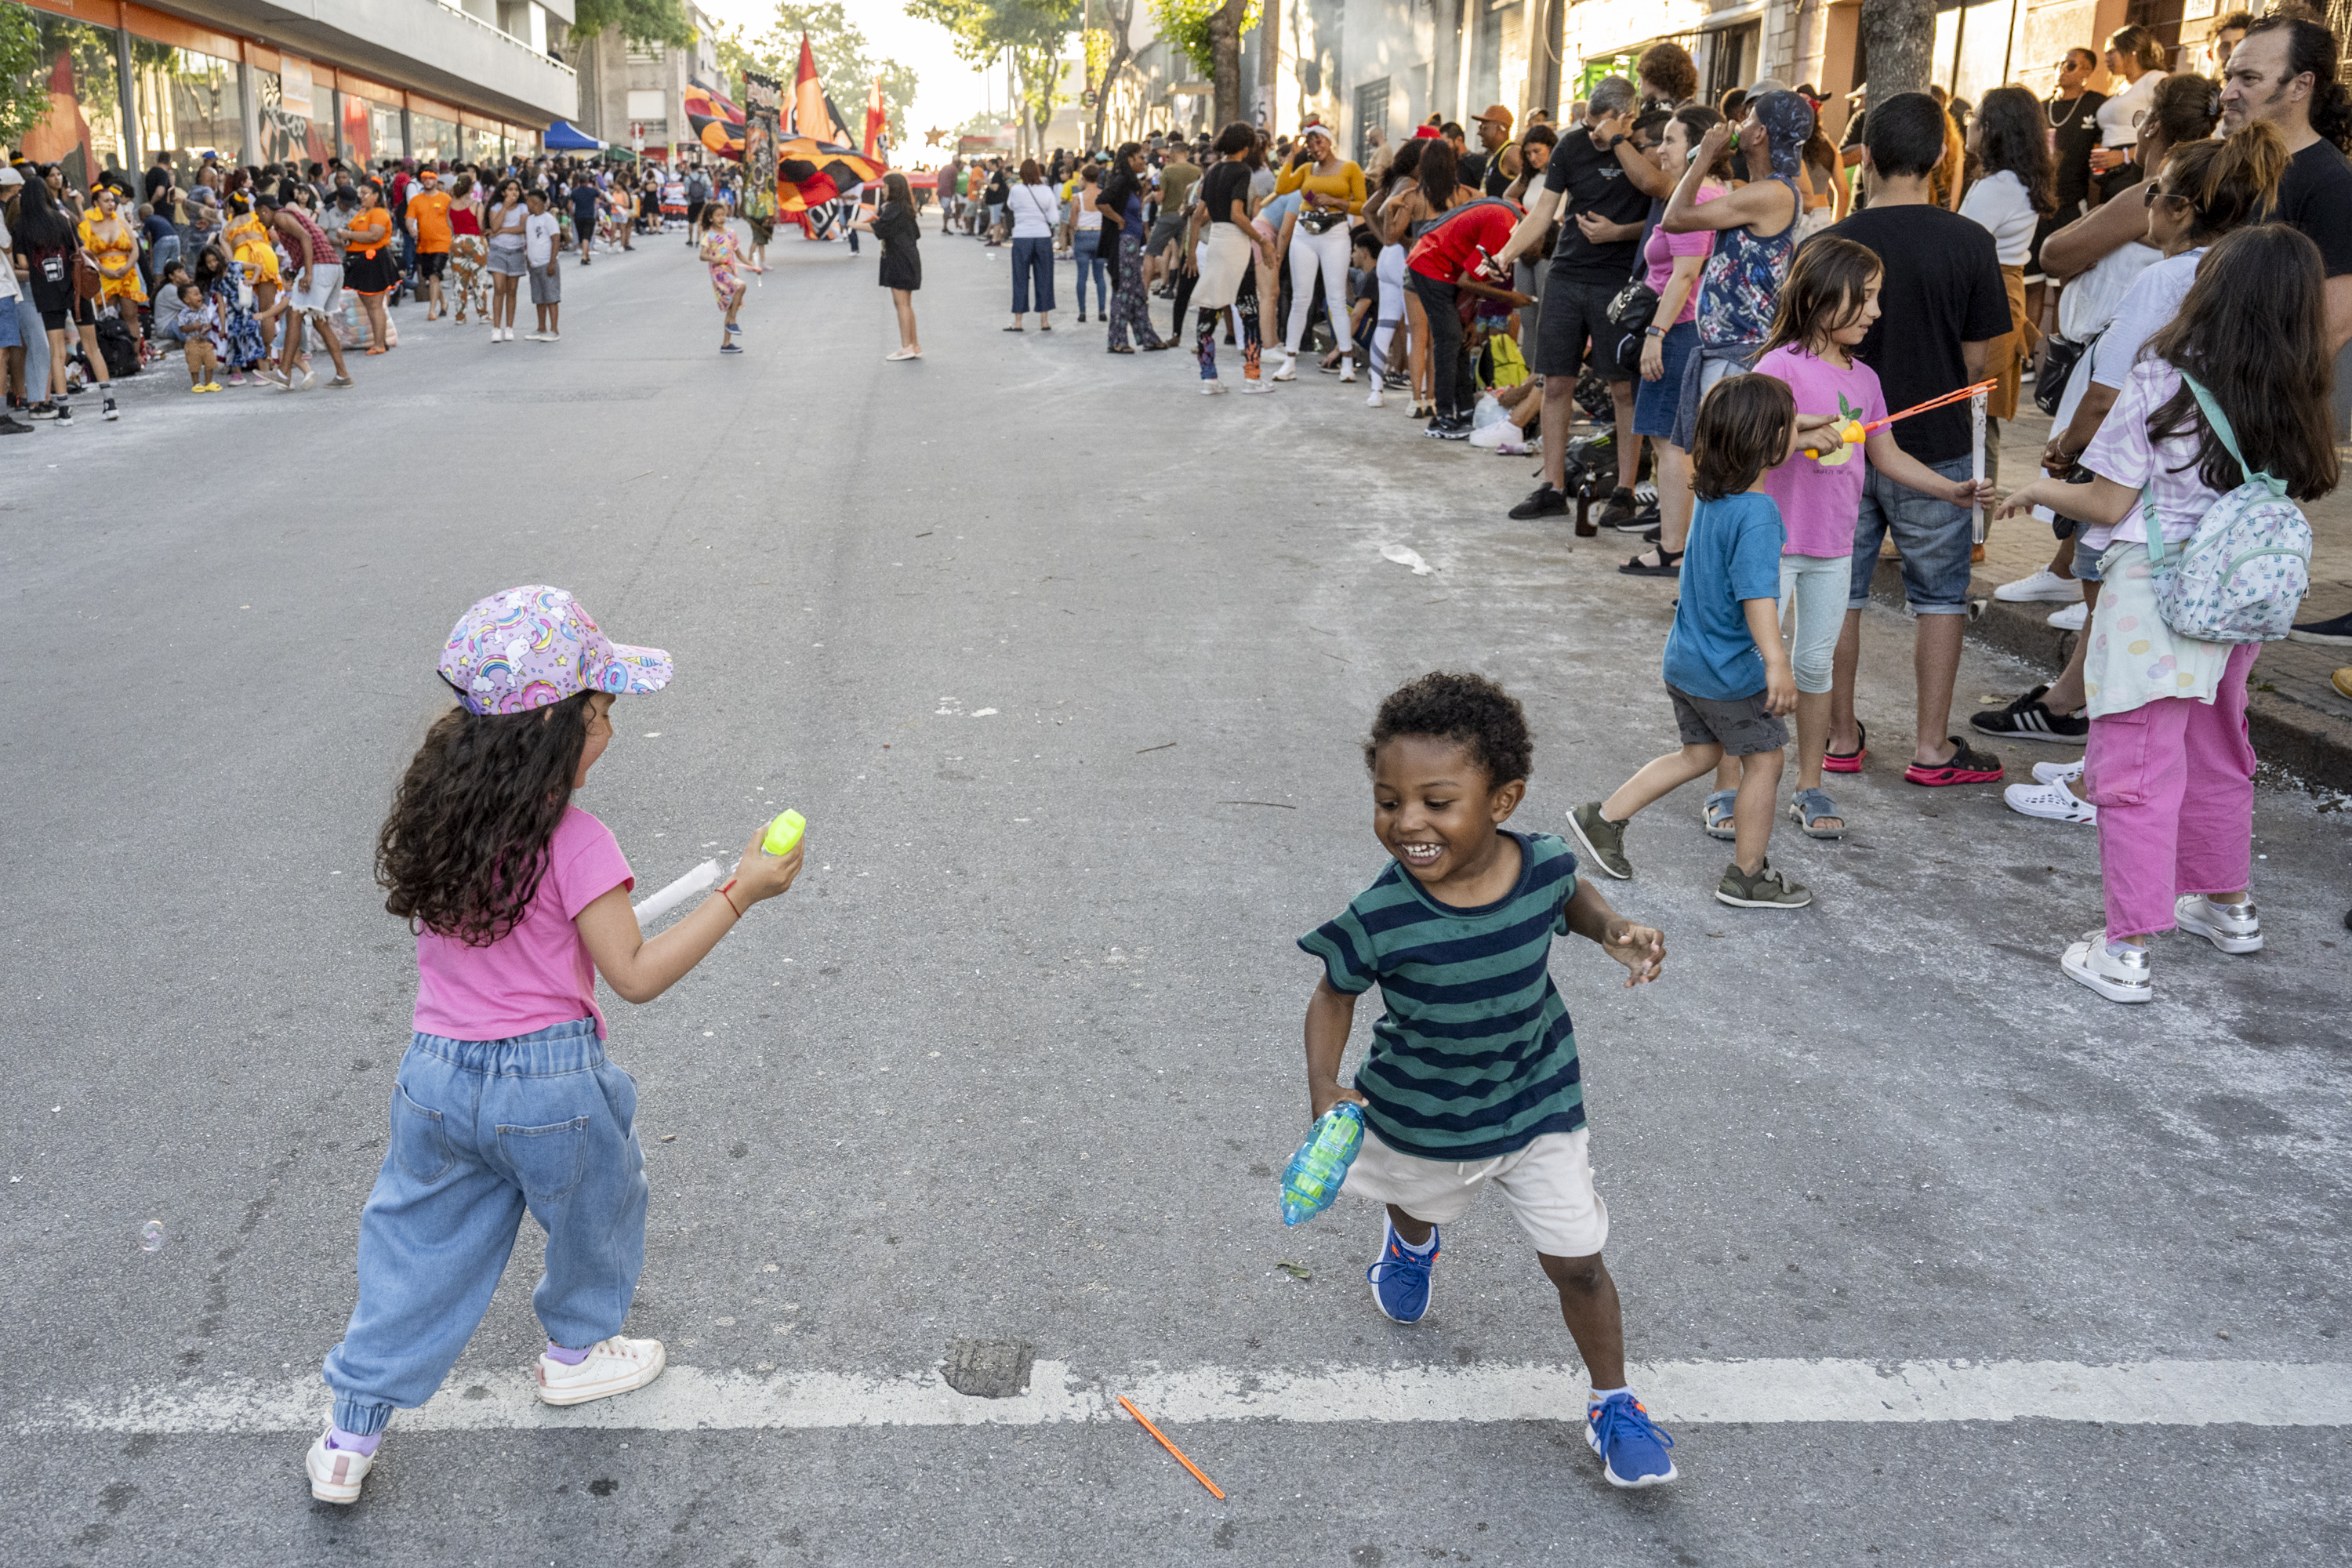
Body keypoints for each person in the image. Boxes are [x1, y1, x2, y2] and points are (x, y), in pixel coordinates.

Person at [305, 586, 806, 1506]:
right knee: (599, 1202)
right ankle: (577, 1347)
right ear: (553, 732)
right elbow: (637, 972)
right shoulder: (577, 840)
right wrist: (742, 892)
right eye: (602, 712)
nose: (611, 731)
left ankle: (349, 1430)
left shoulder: (437, 821)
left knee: (414, 1246)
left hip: (436, 1077)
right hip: (550, 1082)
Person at [1298, 670, 1677, 1490]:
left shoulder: (1539, 861)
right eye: (1388, 799)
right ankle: (1411, 1239)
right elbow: (1334, 992)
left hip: (1537, 1099)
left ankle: (1613, 1400)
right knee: (1416, 1191)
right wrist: (1324, 1082)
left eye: (1437, 800)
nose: (1408, 823)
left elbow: (1567, 892)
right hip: (1419, 1109)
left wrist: (1611, 925)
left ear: (1502, 800)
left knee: (1578, 1258)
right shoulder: (1382, 913)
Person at [1991, 226, 2335, 1003]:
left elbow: (2109, 500)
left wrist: (2038, 489)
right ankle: (2228, 904)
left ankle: (2127, 948)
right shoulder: (2297, 381)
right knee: (2220, 746)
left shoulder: (2165, 373)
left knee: (2136, 766)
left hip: (2157, 598)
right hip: (2238, 595)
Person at [1988, 119, 2285, 817]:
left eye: (2154, 193)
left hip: (2140, 485)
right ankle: (2102, 766)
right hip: (2215, 488)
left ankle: (2104, 781)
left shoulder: (2165, 277)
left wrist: (2065, 455)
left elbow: (2108, 386)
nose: (2145, 205)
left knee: (2121, 639)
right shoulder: (2254, 274)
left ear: (2179, 210)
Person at [1569, 374, 1836, 907]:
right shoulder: (1759, 513)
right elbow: (1758, 597)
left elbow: (1763, 438)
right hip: (1726, 671)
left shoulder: (1714, 497)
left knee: (1699, 753)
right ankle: (1748, 874)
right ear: (1766, 442)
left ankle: (1603, 818)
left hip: (1686, 662)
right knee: (1765, 760)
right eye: (1789, 424)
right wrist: (1777, 663)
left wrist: (1794, 432)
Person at [1817, 92, 2012, 788]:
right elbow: (1978, 361)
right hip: (1933, 446)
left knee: (1839, 589)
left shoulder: (1826, 245)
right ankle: (1932, 748)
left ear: (1865, 155)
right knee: (1940, 596)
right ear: (1939, 159)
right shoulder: (1970, 241)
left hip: (1836, 441)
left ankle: (1839, 737)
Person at [1491, 77, 1653, 525]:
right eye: (1587, 124)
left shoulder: (1642, 144)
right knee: (1555, 381)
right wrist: (1506, 253)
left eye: (1599, 126)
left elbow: (1663, 210)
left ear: (1624, 117)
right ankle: (1553, 486)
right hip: (1566, 274)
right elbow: (1543, 212)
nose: (1591, 133)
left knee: (1624, 387)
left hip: (1616, 282)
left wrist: (1619, 232)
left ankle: (1624, 488)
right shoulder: (1570, 147)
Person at [1621, 108, 1732, 578]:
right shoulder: (1706, 194)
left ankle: (1673, 549)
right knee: (1672, 441)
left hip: (1680, 329)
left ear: (1698, 146)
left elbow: (1686, 274)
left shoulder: (1702, 194)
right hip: (1683, 328)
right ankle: (1675, 542)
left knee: (1670, 443)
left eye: (1670, 139)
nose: (1659, 150)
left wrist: (1655, 334)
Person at [1960, 85, 2058, 433]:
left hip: (1989, 291)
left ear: (1993, 129)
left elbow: (1964, 246)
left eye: (1974, 118)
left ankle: (1979, 485)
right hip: (2000, 288)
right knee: (1981, 412)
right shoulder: (2008, 180)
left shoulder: (2000, 184)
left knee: (1976, 411)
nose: (1968, 125)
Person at [1404, 193, 1528, 435]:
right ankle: (1441, 418)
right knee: (1449, 338)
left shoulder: (1518, 216)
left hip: (1446, 264)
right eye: (1533, 252)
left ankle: (1464, 410)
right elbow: (1467, 280)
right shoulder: (1505, 227)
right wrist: (1510, 298)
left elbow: (1474, 277)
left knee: (1460, 338)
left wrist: (1470, 320)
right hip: (1431, 262)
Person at [1269, 124, 1367, 383]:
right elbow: (1281, 187)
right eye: (1310, 145)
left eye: (1319, 141)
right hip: (1304, 232)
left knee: (1336, 298)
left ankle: (1347, 361)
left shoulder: (1350, 168)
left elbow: (1362, 205)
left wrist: (1335, 201)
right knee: (1301, 298)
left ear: (1329, 140)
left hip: (1335, 233)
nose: (1316, 148)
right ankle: (1290, 361)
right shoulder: (1305, 169)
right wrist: (1292, 154)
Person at [1184, 121, 1269, 394]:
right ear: (1246, 147)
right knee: (1249, 310)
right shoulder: (1242, 170)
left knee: (1210, 306)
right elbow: (1237, 214)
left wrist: (1190, 254)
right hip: (1235, 244)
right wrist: (1263, 240)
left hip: (1216, 243)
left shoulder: (1212, 171)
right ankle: (1252, 378)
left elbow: (1198, 216)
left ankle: (1209, 378)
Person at [2031, 49, 2108, 333]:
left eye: (2072, 65)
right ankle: (2026, 358)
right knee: (2032, 285)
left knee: (2064, 285)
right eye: (2060, 63)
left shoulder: (2097, 105)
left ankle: (2055, 353)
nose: (2063, 68)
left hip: (2072, 205)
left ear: (2087, 71)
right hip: (2037, 205)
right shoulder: (2040, 108)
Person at [263, 194, 354, 390]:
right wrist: (297, 271)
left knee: (294, 314)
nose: (260, 220)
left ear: (265, 210)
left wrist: (309, 273)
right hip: (332, 266)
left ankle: (284, 373)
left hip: (319, 267)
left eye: (259, 215)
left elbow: (306, 237)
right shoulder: (287, 217)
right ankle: (342, 375)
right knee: (321, 324)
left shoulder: (280, 216)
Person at [1098, 143, 1171, 354]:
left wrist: (1145, 191)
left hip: (1132, 242)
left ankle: (1147, 336)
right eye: (1139, 157)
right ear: (1130, 160)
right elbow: (1102, 202)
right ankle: (1117, 339)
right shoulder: (1121, 181)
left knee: (1137, 293)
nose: (1143, 160)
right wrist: (1118, 219)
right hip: (1124, 243)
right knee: (1123, 291)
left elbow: (1133, 210)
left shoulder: (1130, 184)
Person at [2092, 25, 2171, 204]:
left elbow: (2165, 126)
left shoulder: (2155, 79)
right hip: (2109, 172)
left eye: (2112, 52)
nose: (2107, 59)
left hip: (2133, 167)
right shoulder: (2120, 87)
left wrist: (2125, 155)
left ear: (2133, 52)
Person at [854, 171, 922, 361]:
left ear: (893, 189)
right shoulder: (904, 207)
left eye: (885, 186)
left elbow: (880, 229)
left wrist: (854, 224)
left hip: (899, 258)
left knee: (901, 304)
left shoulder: (894, 208)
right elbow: (914, 234)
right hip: (908, 257)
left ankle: (906, 346)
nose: (882, 189)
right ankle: (914, 344)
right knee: (906, 304)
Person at [339, 180, 398, 354]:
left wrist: (348, 234)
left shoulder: (379, 213)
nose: (361, 196)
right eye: (360, 192)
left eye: (365, 193)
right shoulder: (362, 212)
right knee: (370, 304)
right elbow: (357, 233)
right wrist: (346, 237)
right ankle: (379, 341)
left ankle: (380, 343)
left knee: (375, 304)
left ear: (376, 196)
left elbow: (374, 235)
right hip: (360, 260)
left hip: (373, 260)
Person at [1004, 159, 1058, 332]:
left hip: (1021, 237)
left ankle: (1018, 321)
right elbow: (1054, 218)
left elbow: (1011, 207)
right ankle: (1044, 321)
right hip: (1042, 237)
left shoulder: (1016, 190)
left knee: (1020, 278)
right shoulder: (1046, 190)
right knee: (1045, 278)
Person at [698, 198, 757, 354]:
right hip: (719, 274)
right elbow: (702, 256)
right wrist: (713, 258)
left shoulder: (731, 234)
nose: (721, 218)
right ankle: (733, 322)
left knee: (732, 306)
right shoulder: (708, 236)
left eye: (723, 215)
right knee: (741, 286)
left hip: (731, 272)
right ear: (710, 218)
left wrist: (752, 265)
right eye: (717, 215)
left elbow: (739, 254)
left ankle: (726, 344)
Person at [483, 177, 528, 343]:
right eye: (510, 189)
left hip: (516, 250)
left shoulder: (523, 207)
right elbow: (493, 227)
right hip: (498, 251)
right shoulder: (495, 207)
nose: (514, 192)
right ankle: (496, 328)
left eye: (516, 189)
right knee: (499, 287)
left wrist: (502, 231)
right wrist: (505, 208)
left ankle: (509, 327)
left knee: (512, 290)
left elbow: (522, 228)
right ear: (503, 192)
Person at [447, 172, 487, 324]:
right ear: (471, 187)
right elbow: (481, 225)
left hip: (457, 241)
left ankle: (460, 315)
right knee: (479, 278)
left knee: (459, 280)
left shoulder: (451, 204)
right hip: (475, 241)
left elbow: (450, 224)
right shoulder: (476, 204)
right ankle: (482, 313)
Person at [522, 186, 561, 342]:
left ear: (536, 202)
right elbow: (529, 241)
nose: (527, 205)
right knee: (539, 298)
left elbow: (556, 239)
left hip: (547, 263)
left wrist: (552, 261)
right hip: (534, 264)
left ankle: (554, 329)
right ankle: (541, 328)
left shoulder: (548, 219)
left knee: (551, 296)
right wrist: (528, 259)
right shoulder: (530, 220)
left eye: (529, 202)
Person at [1071, 165, 1107, 323]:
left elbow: (1073, 222)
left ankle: (1082, 312)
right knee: (1099, 277)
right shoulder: (1104, 195)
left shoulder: (1077, 198)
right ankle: (1101, 311)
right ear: (1097, 178)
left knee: (1081, 276)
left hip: (1083, 234)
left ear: (1084, 178)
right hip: (1100, 235)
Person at [176, 278, 223, 391]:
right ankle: (196, 383)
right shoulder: (184, 313)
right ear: (186, 300)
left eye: (200, 294)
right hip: (192, 342)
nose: (200, 296)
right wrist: (193, 327)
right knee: (194, 364)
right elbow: (182, 328)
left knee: (210, 361)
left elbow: (208, 323)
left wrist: (208, 327)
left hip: (205, 341)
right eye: (196, 294)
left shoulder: (203, 310)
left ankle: (208, 383)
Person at [1473, 103, 1519, 196]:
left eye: (1484, 127)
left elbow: (1533, 185)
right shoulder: (1495, 155)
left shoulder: (1511, 153)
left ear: (1500, 128)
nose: (1479, 133)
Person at [568, 167, 600, 267]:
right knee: (587, 237)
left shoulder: (575, 192)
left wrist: (573, 214)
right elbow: (600, 195)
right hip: (589, 216)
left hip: (579, 216)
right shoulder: (593, 191)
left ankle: (587, 255)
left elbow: (569, 205)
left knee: (582, 237)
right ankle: (584, 257)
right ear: (587, 181)